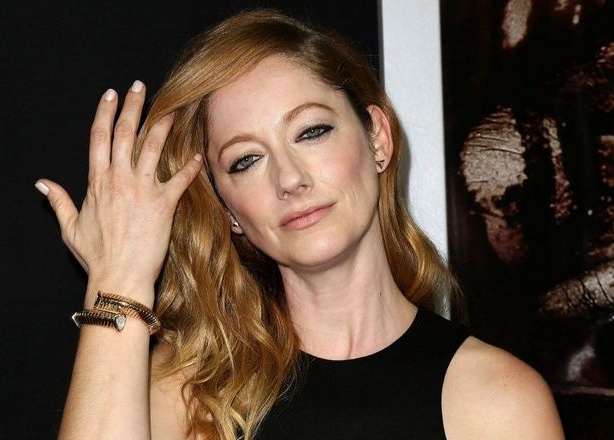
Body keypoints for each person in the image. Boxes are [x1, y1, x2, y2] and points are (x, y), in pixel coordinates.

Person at [35, 9, 564, 440]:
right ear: (228, 210)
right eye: (246, 160)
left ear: (377, 138)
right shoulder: (186, 396)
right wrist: (119, 278)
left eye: (311, 132)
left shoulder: (498, 399)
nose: (289, 179)